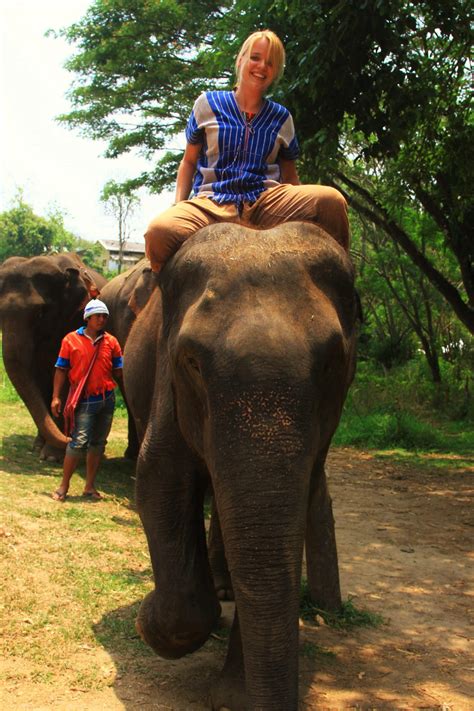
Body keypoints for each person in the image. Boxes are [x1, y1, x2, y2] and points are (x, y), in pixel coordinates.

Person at [145, 29, 350, 274]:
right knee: (158, 231)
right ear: (240, 60)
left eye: (270, 63)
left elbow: (291, 179)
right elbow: (188, 162)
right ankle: (160, 291)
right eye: (255, 57)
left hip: (265, 203)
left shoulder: (282, 117)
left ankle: (339, 280)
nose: (262, 66)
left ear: (275, 72)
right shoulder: (207, 104)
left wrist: (298, 210)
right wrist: (178, 204)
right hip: (212, 203)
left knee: (332, 201)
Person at [51, 299, 123, 502]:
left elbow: (119, 370)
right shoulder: (70, 340)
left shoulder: (112, 342)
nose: (101, 320)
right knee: (78, 443)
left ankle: (89, 486)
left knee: (98, 443)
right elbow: (61, 369)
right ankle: (63, 486)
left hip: (106, 398)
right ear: (88, 318)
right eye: (97, 316)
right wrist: (56, 397)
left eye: (104, 316)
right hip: (84, 400)